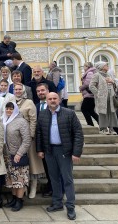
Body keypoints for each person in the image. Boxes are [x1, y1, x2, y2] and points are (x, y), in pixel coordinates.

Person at [36, 92, 84, 220]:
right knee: (54, 178)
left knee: (67, 180)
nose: (52, 100)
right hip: (49, 151)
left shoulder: (69, 113)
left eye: (54, 98)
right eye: (49, 99)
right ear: (46, 100)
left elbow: (78, 133)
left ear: (59, 99)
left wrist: (76, 152)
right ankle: (57, 203)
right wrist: (40, 149)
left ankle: (70, 207)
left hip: (65, 151)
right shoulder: (42, 114)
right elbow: (39, 133)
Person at [13, 83, 45, 199]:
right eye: (15, 89)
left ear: (23, 90)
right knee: (21, 162)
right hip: (16, 137)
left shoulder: (29, 102)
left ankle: (33, 186)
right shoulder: (11, 101)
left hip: (27, 137)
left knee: (32, 162)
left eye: (19, 89)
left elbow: (33, 119)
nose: (18, 91)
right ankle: (23, 186)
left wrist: (31, 136)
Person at [3, 102, 31, 212]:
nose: (9, 111)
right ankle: (14, 199)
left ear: (15, 110)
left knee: (19, 180)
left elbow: (27, 140)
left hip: (18, 155)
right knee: (12, 179)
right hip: (8, 155)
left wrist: (19, 153)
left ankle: (20, 200)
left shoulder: (22, 121)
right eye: (7, 109)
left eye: (11, 109)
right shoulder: (4, 120)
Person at [89, 62, 118, 135]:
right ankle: (104, 128)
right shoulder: (97, 75)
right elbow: (91, 86)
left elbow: (115, 85)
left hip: (111, 97)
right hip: (102, 98)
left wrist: (112, 82)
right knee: (103, 112)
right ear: (101, 67)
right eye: (106, 65)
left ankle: (111, 128)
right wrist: (98, 94)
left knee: (111, 112)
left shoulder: (109, 75)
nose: (107, 66)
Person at [80, 62, 99, 126]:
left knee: (84, 109)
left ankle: (90, 124)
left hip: (89, 94)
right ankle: (101, 124)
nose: (83, 68)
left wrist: (81, 88)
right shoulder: (90, 72)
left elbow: (88, 83)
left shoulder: (90, 73)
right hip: (90, 94)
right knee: (91, 111)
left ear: (88, 67)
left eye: (84, 66)